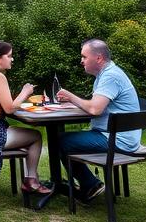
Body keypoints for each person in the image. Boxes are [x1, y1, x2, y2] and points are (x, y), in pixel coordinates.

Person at [56, 39, 140, 203]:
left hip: (117, 140)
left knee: (61, 141)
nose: (81, 61)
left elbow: (95, 109)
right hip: (116, 135)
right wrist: (71, 102)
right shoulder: (105, 75)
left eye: (84, 57)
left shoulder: (110, 76)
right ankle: (84, 184)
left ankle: (90, 185)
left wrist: (70, 96)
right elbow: (96, 106)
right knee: (66, 139)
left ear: (99, 58)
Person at [0, 40, 53, 195]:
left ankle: (32, 179)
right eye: (9, 56)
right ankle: (31, 180)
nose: (12, 59)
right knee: (35, 136)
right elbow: (9, 108)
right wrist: (25, 91)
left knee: (23, 133)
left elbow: (3, 105)